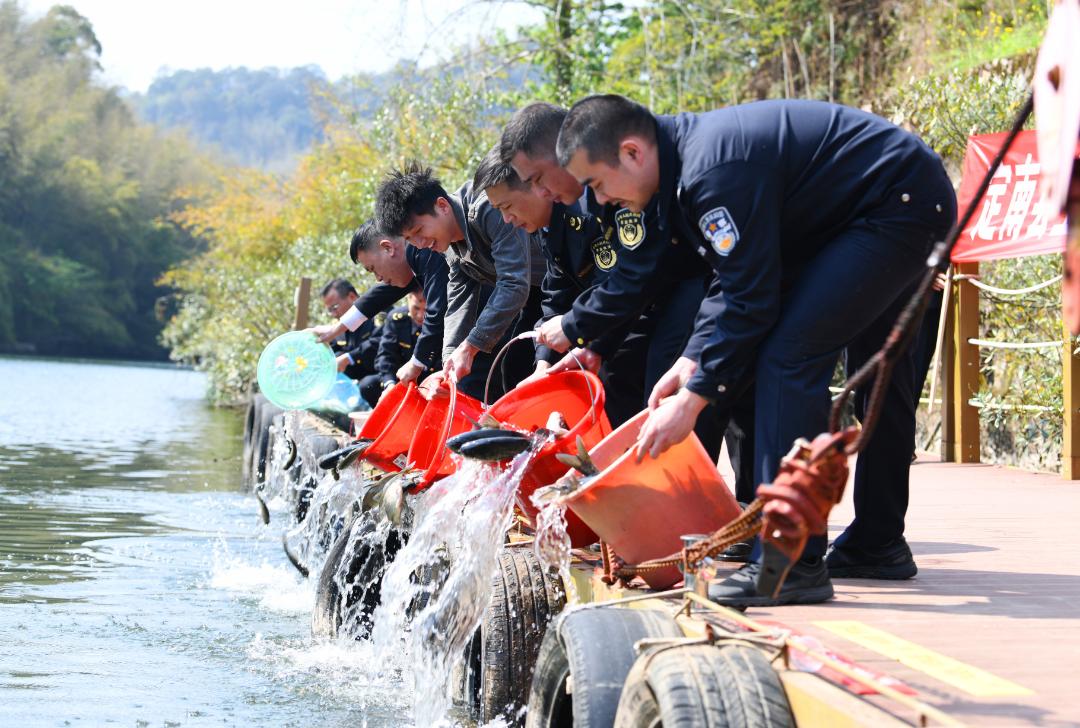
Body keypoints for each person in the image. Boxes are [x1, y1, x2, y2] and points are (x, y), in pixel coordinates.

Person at [555, 94, 956, 606]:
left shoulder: (709, 172)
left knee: (788, 356)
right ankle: (878, 544)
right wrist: (691, 360)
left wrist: (694, 399)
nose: (601, 200)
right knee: (877, 381)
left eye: (596, 183)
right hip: (889, 204)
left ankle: (790, 565)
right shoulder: (684, 172)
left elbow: (751, 299)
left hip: (895, 207)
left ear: (631, 152)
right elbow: (734, 277)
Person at [504, 102, 754, 496]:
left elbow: (636, 270)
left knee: (702, 387)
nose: (541, 192)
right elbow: (602, 278)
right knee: (657, 387)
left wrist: (574, 326)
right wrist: (593, 343)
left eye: (537, 178)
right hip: (650, 301)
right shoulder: (574, 208)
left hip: (694, 283)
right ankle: (673, 503)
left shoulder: (617, 178)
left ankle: (697, 507)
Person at [374, 161, 546, 400]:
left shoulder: (488, 207)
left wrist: (472, 345)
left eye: (419, 231)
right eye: (410, 239)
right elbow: (458, 299)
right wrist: (450, 361)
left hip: (566, 282)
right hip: (540, 292)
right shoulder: (450, 244)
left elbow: (513, 284)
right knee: (516, 365)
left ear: (442, 206)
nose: (420, 244)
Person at [312, 221, 447, 387]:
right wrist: (334, 331)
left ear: (388, 248)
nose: (378, 278)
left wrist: (417, 363)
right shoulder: (411, 264)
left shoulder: (427, 254)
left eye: (373, 269)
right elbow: (378, 295)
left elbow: (437, 311)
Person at [359, 290, 430, 406]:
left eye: (426, 310)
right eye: (416, 308)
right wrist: (389, 383)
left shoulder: (441, 320)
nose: (420, 315)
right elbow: (386, 355)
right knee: (368, 385)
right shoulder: (397, 319)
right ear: (408, 299)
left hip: (430, 380)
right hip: (403, 379)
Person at [319, 278, 381, 381]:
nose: (333, 314)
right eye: (330, 310)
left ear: (352, 297)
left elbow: (378, 344)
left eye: (335, 307)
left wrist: (349, 357)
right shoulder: (337, 329)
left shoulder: (376, 315)